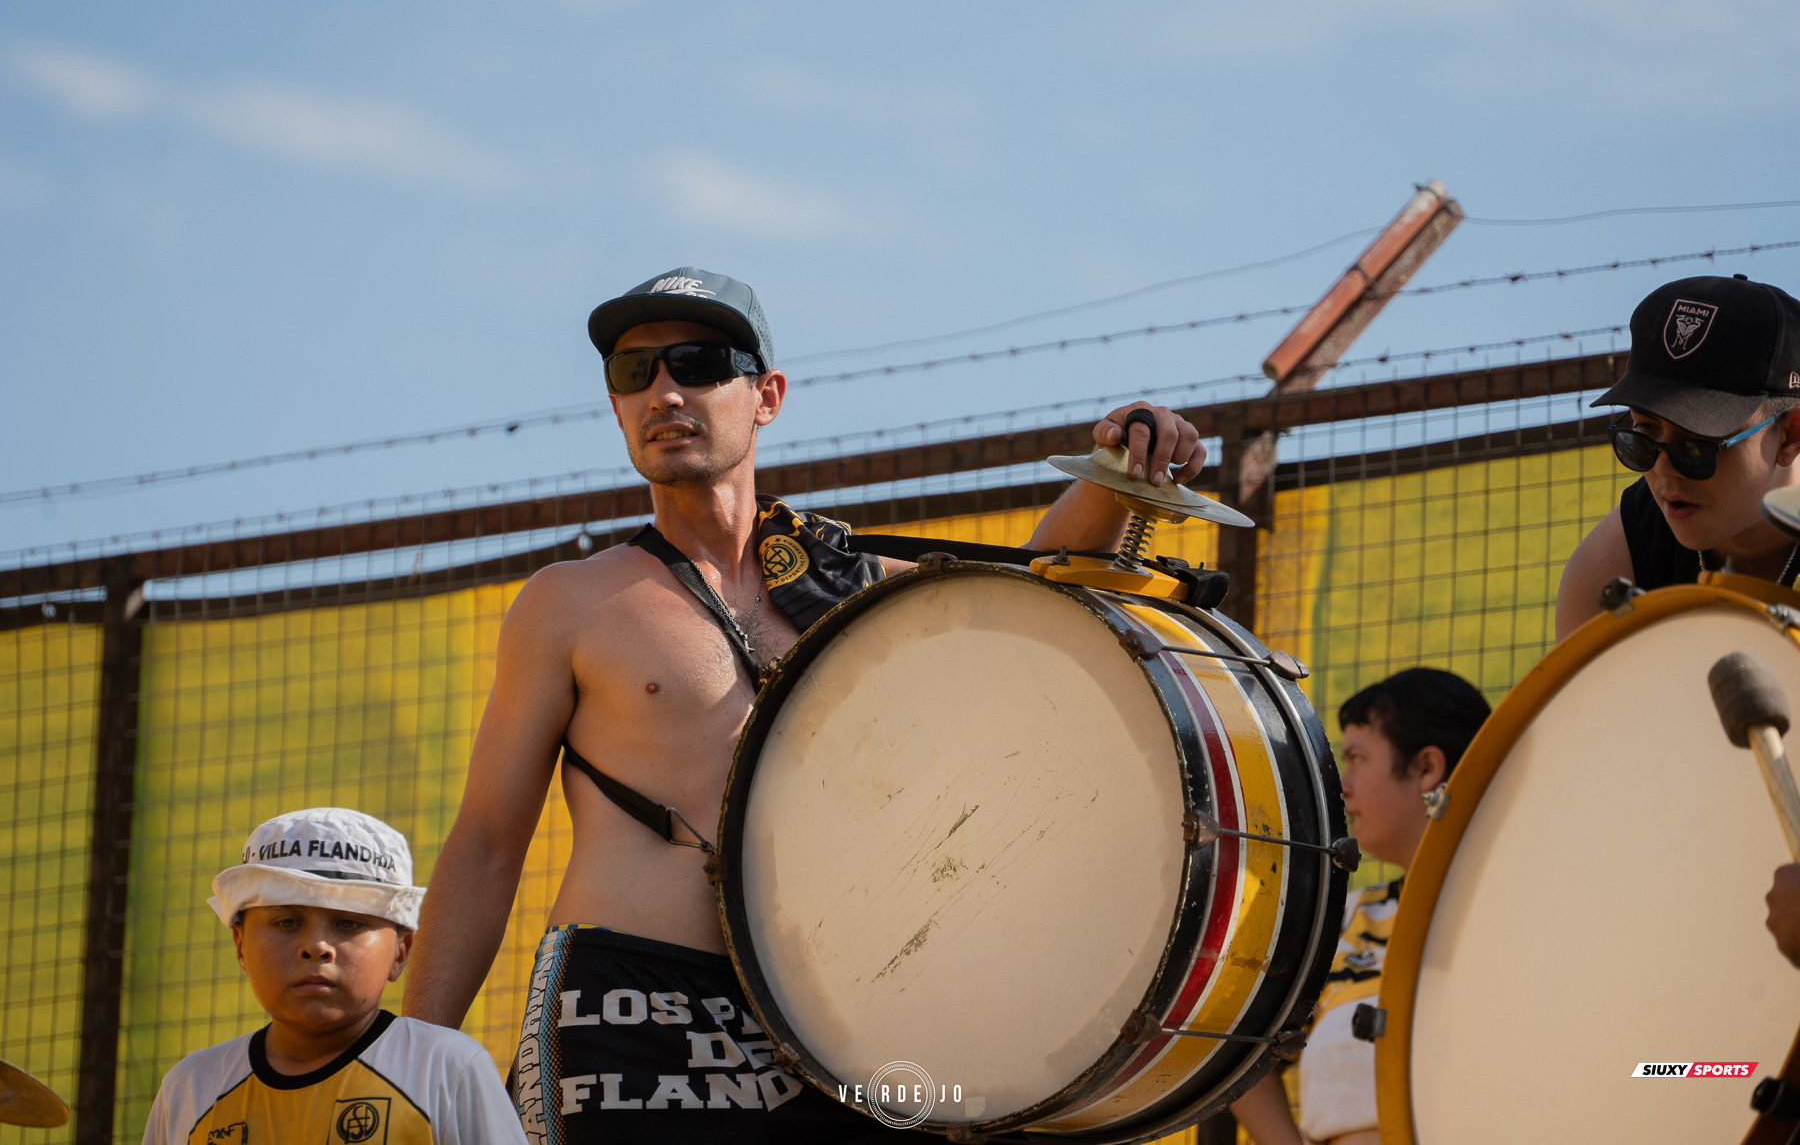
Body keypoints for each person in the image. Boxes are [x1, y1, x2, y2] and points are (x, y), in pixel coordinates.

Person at [400, 266, 1209, 1143]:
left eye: (699, 363)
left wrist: (1113, 471)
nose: (664, 392)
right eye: (635, 374)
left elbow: (1018, 604)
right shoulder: (570, 602)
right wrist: (416, 1060)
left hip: (843, 1017)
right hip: (633, 1007)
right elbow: (486, 841)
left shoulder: (852, 586)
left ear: (767, 396)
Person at [142, 807, 528, 1145]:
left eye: (347, 923)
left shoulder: (447, 1068)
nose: (316, 946)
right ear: (240, 945)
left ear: (400, 952)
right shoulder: (190, 1089)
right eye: (287, 921)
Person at [1229, 668, 1490, 1145]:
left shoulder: (1519, 915)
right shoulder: (1342, 921)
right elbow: (1239, 1047)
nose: (1341, 785)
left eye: (1356, 758)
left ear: (1427, 768)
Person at [1555, 274, 1800, 642]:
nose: (1662, 468)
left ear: (1791, 435)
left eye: (1697, 445)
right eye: (1645, 432)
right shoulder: (1610, 568)